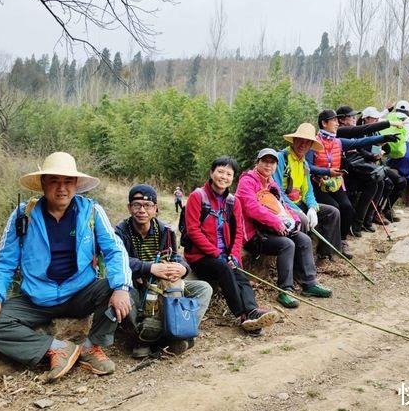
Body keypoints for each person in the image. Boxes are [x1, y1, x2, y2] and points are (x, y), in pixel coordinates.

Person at [0, 152, 132, 382]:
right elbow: (4, 262)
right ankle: (56, 348)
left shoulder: (91, 211)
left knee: (120, 288)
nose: (62, 188)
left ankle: (91, 347)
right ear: (43, 184)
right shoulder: (23, 215)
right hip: (37, 299)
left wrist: (121, 288)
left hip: (80, 292)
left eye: (68, 181)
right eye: (54, 181)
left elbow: (115, 250)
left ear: (76, 185)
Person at [115, 184, 212, 358]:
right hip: (135, 283)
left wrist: (182, 268)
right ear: (129, 208)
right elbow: (118, 261)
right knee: (124, 296)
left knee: (204, 288)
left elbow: (174, 256)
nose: (142, 210)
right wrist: (150, 268)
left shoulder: (165, 231)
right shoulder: (120, 231)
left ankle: (178, 332)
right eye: (137, 205)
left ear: (156, 209)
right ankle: (143, 339)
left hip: (162, 283)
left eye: (148, 205)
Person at [184, 157, 279, 335]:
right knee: (224, 268)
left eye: (229, 174)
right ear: (211, 173)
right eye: (220, 172)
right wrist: (216, 253)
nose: (224, 177)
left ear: (233, 178)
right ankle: (242, 315)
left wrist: (234, 255)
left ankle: (252, 311)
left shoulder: (233, 201)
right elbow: (193, 231)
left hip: (225, 254)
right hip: (200, 256)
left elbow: (238, 232)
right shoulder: (198, 196)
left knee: (239, 273)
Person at [236, 148, 332, 308]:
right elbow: (251, 207)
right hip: (254, 234)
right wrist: (275, 222)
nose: (268, 165)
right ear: (257, 162)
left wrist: (294, 220)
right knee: (287, 244)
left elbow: (283, 204)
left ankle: (309, 283)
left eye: (272, 162)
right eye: (264, 161)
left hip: (270, 229)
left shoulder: (271, 182)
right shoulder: (247, 181)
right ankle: (285, 290)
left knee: (304, 239)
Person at [308, 109, 393, 242]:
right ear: (324, 123)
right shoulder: (313, 143)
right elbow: (308, 167)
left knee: (347, 208)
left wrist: (383, 138)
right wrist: (327, 172)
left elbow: (359, 143)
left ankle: (342, 240)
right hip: (317, 184)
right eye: (334, 120)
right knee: (335, 208)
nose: (337, 124)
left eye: (337, 120)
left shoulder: (337, 141)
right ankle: (328, 246)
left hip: (335, 182)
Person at [272, 123, 345, 261]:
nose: (302, 145)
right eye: (300, 140)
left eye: (307, 142)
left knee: (332, 212)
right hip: (284, 206)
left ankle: (325, 254)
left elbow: (308, 190)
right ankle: (301, 264)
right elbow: (277, 191)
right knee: (304, 220)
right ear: (294, 140)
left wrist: (312, 207)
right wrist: (295, 210)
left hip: (300, 203)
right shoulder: (282, 158)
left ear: (311, 146)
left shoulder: (304, 163)